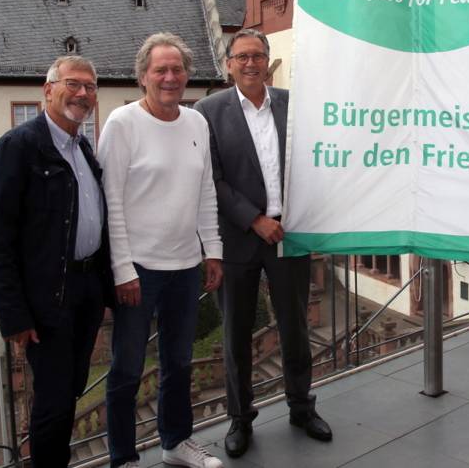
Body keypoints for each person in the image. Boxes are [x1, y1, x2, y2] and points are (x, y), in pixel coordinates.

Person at [194, 28, 332, 458]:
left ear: (268, 61)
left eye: (257, 56)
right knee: (236, 333)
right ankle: (240, 419)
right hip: (239, 239)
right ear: (229, 64)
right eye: (241, 57)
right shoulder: (208, 111)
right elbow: (211, 179)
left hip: (290, 233)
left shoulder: (294, 105)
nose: (250, 63)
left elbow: (316, 158)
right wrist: (253, 220)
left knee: (295, 326)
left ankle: (301, 407)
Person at [98, 33, 224, 468]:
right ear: (143, 77)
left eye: (177, 70)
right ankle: (123, 457)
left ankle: (174, 444)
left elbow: (205, 191)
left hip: (186, 265)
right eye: (161, 70)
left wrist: (214, 250)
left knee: (179, 362)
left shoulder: (196, 122)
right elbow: (109, 199)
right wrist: (121, 269)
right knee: (127, 370)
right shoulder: (122, 124)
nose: (170, 78)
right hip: (138, 269)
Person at [0, 56, 114, 467]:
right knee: (53, 401)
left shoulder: (83, 148)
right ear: (48, 89)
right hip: (47, 299)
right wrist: (14, 315)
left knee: (72, 388)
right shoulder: (19, 147)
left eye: (90, 87)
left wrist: (105, 287)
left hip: (84, 290)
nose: (82, 94)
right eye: (73, 84)